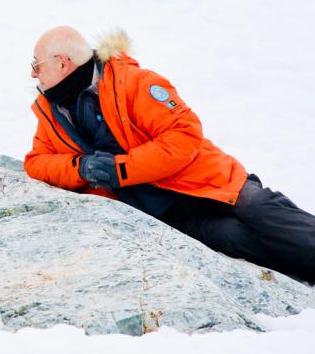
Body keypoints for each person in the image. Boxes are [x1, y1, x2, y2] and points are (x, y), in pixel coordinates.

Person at [24, 25, 315, 283]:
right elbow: (37, 162)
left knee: (262, 212)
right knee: (232, 237)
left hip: (208, 183)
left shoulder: (134, 82)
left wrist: (121, 170)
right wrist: (82, 168)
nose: (33, 73)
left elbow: (183, 135)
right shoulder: (52, 111)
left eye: (36, 65)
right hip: (170, 214)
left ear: (63, 63)